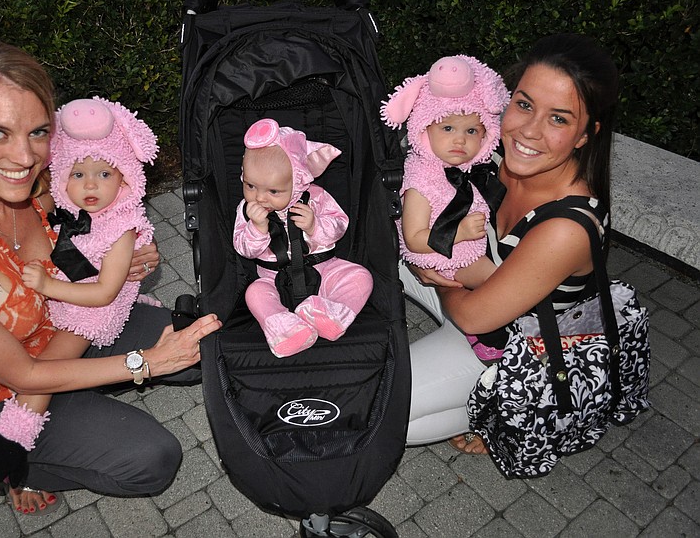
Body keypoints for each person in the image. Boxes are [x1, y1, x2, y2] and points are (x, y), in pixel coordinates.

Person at [0, 41, 221, 515]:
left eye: (39, 131)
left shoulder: (37, 175)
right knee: (154, 460)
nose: (25, 156)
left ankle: (84, 398)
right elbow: (22, 373)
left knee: (198, 350)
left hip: (71, 317)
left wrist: (126, 260)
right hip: (4, 387)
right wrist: (144, 363)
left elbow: (86, 231)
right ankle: (16, 464)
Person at [400, 34, 619, 454]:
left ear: (585, 135)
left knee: (390, 413)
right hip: (467, 284)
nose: (528, 131)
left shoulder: (567, 228)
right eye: (524, 104)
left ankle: (497, 407)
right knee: (372, 252)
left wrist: (432, 271)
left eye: (559, 119)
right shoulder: (490, 153)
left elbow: (474, 318)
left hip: (510, 343)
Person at [22, 96, 159, 348]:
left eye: (105, 174)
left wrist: (47, 285)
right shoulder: (70, 211)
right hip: (65, 299)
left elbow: (105, 293)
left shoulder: (121, 228)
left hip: (92, 315)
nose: (90, 184)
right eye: (77, 174)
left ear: (125, 178)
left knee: (53, 365)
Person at [233, 118, 373, 357]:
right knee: (254, 293)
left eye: (273, 191)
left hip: (324, 269)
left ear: (297, 179)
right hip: (273, 278)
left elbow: (340, 226)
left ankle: (328, 314)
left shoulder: (316, 197)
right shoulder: (247, 210)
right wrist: (257, 229)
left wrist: (314, 226)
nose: (260, 198)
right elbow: (243, 248)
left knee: (360, 277)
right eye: (250, 186)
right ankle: (287, 330)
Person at [381, 55, 510, 290]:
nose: (460, 139)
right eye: (447, 128)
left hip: (474, 243)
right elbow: (413, 239)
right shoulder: (422, 181)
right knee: (501, 284)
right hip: (446, 256)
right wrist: (460, 232)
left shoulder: (475, 168)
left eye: (471, 130)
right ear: (424, 129)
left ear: (486, 135)